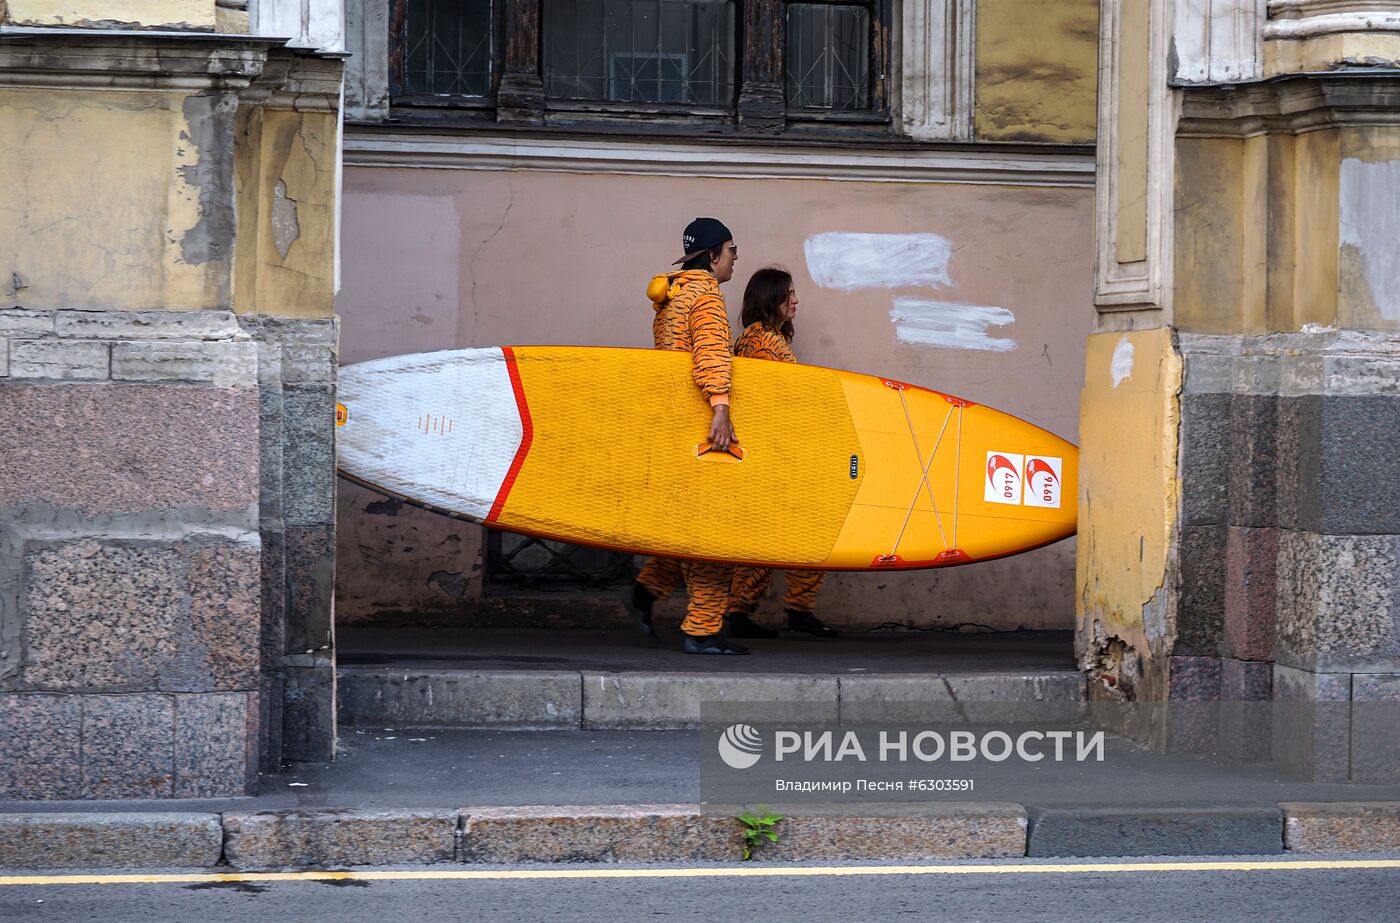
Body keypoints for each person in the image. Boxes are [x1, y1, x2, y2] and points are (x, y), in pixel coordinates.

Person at [622, 217, 748, 655]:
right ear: (713, 255)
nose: (735, 259)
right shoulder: (707, 296)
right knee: (712, 531)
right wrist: (721, 407)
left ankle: (646, 590)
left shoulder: (672, 295)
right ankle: (702, 629)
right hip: (700, 422)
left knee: (690, 523)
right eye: (731, 250)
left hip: (672, 420)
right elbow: (711, 354)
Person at [724, 267, 840, 640]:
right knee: (806, 527)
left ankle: (748, 611)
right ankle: (791, 608)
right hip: (774, 456)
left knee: (768, 535)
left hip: (769, 453)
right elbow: (775, 402)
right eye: (788, 294)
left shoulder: (762, 339)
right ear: (770, 299)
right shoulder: (762, 344)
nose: (796, 300)